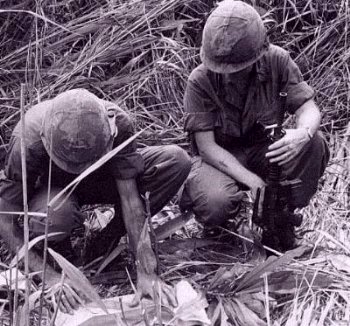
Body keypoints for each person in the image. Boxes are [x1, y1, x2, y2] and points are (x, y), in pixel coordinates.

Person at [0, 88, 191, 313]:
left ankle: (107, 239)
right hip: (56, 192)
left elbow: (130, 200)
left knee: (175, 161)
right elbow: (5, 217)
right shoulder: (28, 139)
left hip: (103, 179)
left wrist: (147, 270)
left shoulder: (117, 123)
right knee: (53, 214)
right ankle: (57, 253)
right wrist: (48, 277)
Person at [180, 0, 329, 251]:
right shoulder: (200, 80)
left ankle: (282, 213)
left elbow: (309, 109)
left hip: (264, 150)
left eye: (237, 68)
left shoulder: (277, 61)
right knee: (215, 201)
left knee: (314, 142)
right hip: (218, 158)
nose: (228, 74)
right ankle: (221, 229)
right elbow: (206, 148)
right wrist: (254, 183)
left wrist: (302, 134)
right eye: (221, 67)